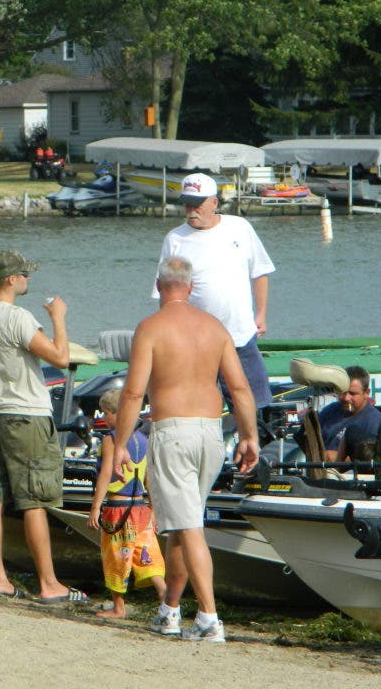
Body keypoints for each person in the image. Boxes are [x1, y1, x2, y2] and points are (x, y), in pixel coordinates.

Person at [114, 256, 258, 643]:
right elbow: (240, 388)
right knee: (182, 524)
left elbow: (132, 393)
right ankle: (170, 611)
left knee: (189, 526)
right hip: (211, 434)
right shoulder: (215, 327)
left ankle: (210, 618)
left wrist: (120, 443)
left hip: (173, 431)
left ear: (159, 286)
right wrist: (249, 435)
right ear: (190, 287)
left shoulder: (151, 328)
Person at [0, 250, 87, 604]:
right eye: (24, 275)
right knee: (34, 499)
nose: (28, 280)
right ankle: (49, 584)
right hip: (26, 414)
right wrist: (58, 319)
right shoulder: (18, 317)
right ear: (10, 280)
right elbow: (60, 358)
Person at [155, 172, 275, 409]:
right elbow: (165, 296)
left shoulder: (240, 227)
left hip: (241, 337)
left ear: (214, 203)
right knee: (200, 410)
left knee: (255, 407)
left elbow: (259, 271)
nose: (191, 211)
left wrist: (260, 315)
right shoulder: (174, 239)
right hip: (195, 345)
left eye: (197, 205)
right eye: (187, 204)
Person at [88, 388, 165, 619]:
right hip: (141, 508)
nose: (104, 418)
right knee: (146, 553)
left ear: (119, 414)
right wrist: (154, 509)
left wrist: (95, 507)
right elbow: (149, 479)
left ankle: (118, 607)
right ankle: (165, 594)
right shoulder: (144, 439)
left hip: (118, 509)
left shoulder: (112, 439)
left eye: (106, 413)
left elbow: (104, 476)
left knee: (116, 557)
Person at [316, 365, 381, 462]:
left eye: (352, 393)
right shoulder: (329, 411)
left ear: (366, 393)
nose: (346, 398)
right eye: (342, 392)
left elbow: (374, 459)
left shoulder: (375, 422)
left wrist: (341, 458)